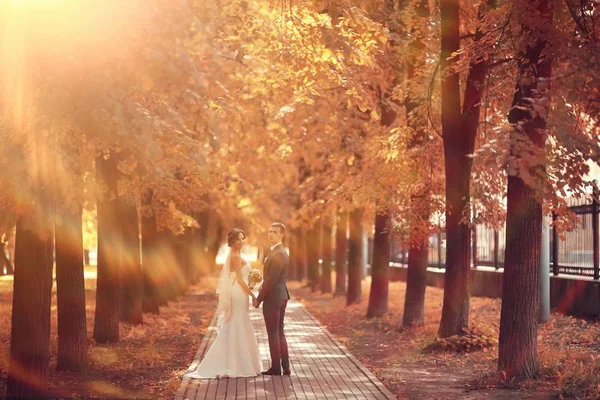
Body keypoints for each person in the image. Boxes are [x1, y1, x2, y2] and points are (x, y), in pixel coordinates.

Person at [184, 228, 261, 379]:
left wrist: (251, 283)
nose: (241, 241)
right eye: (238, 239)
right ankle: (235, 363)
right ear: (232, 241)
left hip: (240, 292)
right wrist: (254, 295)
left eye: (242, 238)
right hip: (239, 294)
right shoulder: (236, 256)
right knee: (237, 323)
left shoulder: (236, 255)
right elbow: (239, 280)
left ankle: (235, 360)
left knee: (238, 323)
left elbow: (238, 279)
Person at [253, 222, 291, 376]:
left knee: (273, 333)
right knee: (279, 332)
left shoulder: (279, 253)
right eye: (269, 231)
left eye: (274, 232)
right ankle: (285, 367)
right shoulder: (277, 252)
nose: (271, 234)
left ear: (282, 234)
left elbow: (271, 280)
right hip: (280, 296)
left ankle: (277, 368)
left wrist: (259, 298)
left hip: (274, 298)